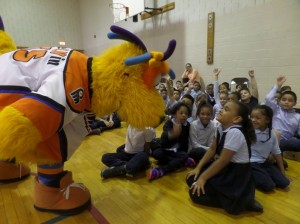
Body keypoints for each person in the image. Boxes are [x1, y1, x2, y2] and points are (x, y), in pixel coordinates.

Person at [186, 101, 263, 215]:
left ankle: (241, 202)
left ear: (236, 119)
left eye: (226, 109)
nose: (221, 110)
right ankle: (233, 197)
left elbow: (223, 160)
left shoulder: (235, 132)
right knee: (191, 179)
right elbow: (212, 150)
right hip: (226, 169)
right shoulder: (220, 127)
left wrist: (203, 178)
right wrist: (198, 168)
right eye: (223, 107)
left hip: (235, 174)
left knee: (195, 194)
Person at [149, 102, 193, 181]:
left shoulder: (187, 125)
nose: (184, 115)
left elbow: (185, 141)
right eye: (181, 113)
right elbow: (164, 139)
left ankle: (162, 170)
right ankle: (178, 163)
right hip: (165, 150)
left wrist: (185, 152)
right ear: (174, 114)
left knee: (184, 156)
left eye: (186, 114)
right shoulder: (169, 123)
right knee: (156, 153)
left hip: (177, 152)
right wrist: (172, 134)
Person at [250, 105, 290, 192]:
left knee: (284, 183)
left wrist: (283, 173)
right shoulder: (249, 132)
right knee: (269, 186)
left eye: (257, 118)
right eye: (252, 117)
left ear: (267, 120)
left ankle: (263, 175)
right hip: (251, 163)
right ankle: (248, 176)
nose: (253, 120)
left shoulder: (271, 134)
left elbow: (277, 153)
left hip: (264, 162)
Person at [264, 76, 300, 161]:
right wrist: (278, 86)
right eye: (284, 99)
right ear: (279, 101)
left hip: (285, 141)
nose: (286, 102)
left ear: (294, 103)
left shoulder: (298, 116)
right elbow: (268, 98)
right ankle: (274, 157)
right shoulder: (276, 109)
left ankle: (274, 157)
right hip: (270, 138)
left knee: (295, 142)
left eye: (290, 100)